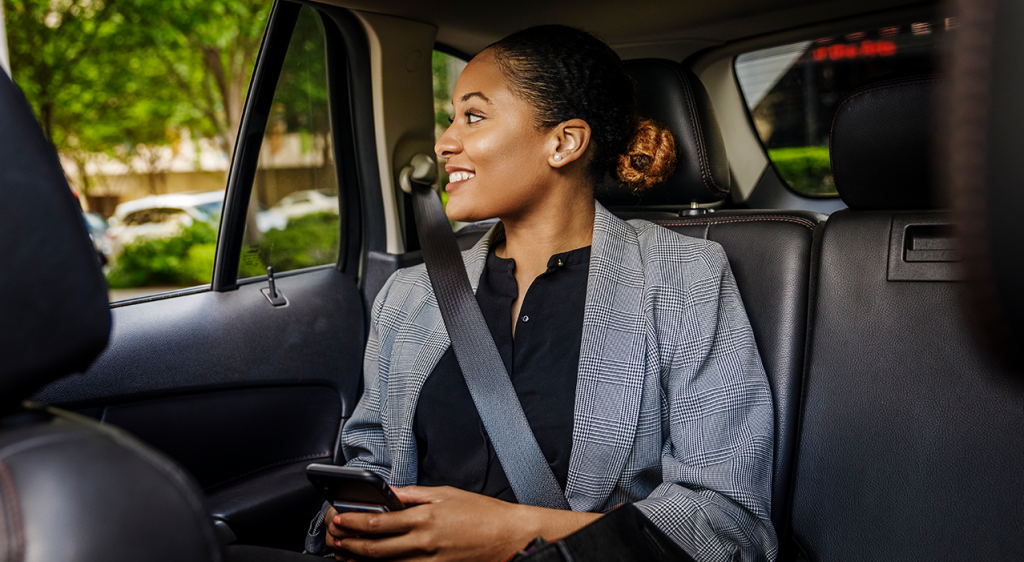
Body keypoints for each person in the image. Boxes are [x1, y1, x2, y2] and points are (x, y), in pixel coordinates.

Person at [307, 24, 776, 562]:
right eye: (451, 115)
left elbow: (728, 522)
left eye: (473, 115)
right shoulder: (409, 294)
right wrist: (351, 522)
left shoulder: (684, 279)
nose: (444, 140)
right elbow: (371, 458)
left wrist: (515, 533)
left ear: (564, 142)